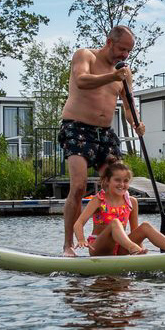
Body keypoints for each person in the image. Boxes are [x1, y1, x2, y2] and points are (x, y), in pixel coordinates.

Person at [59, 25, 146, 256]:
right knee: (78, 186)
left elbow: (128, 108)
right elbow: (82, 81)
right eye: (121, 49)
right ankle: (69, 245)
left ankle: (107, 243)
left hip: (105, 133)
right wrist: (112, 76)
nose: (125, 55)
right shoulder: (85, 55)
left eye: (128, 51)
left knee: (115, 188)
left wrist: (136, 123)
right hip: (77, 128)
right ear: (109, 42)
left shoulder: (124, 73)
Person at [74, 158, 165, 255]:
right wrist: (81, 239)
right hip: (99, 248)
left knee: (145, 226)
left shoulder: (131, 202)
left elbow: (135, 231)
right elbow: (78, 223)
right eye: (117, 180)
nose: (122, 184)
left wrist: (140, 247)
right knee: (115, 223)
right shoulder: (98, 200)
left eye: (125, 181)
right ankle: (133, 248)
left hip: (122, 247)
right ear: (107, 181)